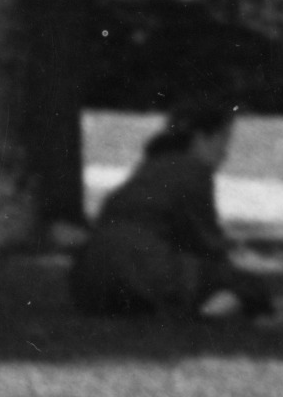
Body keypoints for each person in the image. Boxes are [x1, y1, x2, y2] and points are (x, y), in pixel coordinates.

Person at [64, 105, 267, 322]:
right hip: (140, 268)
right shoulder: (192, 171)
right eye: (224, 138)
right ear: (200, 138)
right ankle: (202, 317)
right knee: (247, 285)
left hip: (90, 279)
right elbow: (207, 244)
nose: (225, 152)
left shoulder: (151, 167)